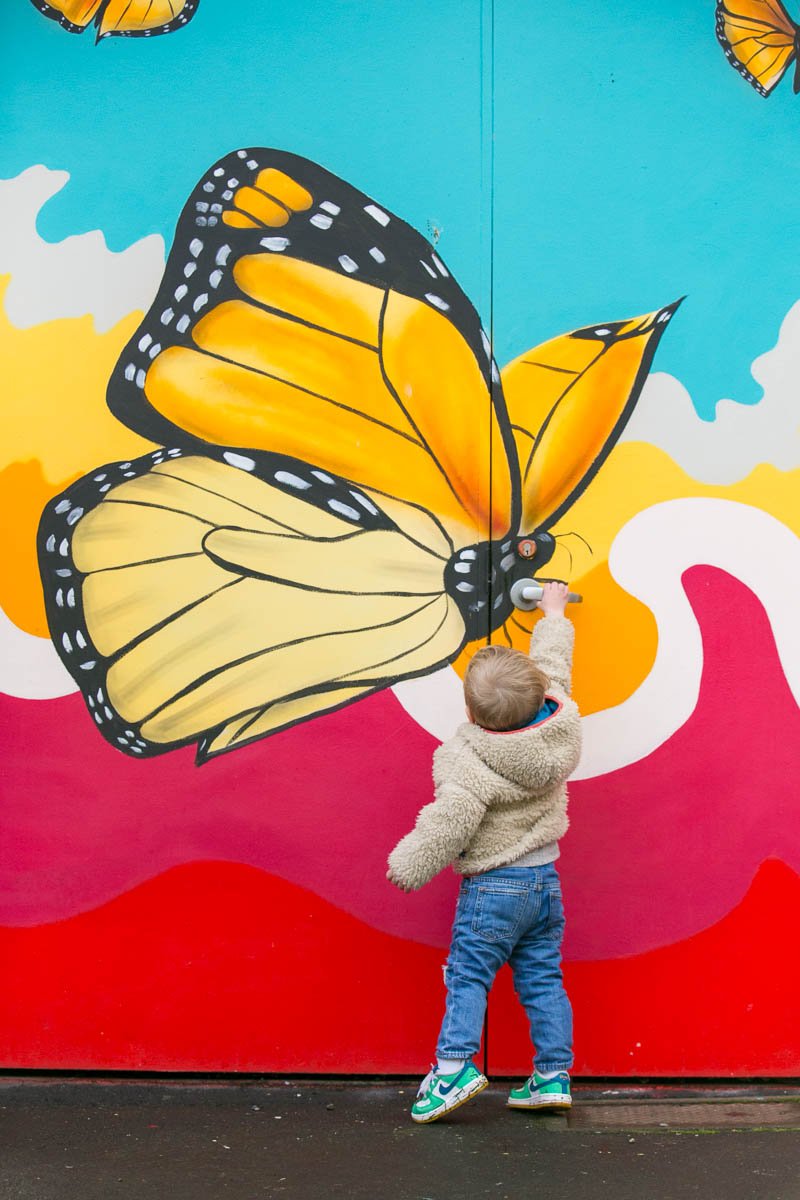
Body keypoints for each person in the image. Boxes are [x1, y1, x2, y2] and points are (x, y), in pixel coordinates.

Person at [387, 581, 582, 1124]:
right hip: (544, 881)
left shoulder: (466, 755)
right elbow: (552, 661)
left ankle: (453, 1068)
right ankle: (552, 1075)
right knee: (542, 977)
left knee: (468, 975)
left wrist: (408, 864)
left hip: (494, 886)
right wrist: (553, 611)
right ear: (541, 694)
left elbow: (450, 820)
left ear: (471, 713)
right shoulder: (558, 718)